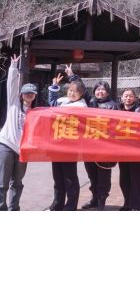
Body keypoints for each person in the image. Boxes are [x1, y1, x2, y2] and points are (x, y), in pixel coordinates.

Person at [0, 55, 37, 211]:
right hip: (6, 145)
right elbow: (12, 86)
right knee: (2, 182)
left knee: (17, 182)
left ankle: (14, 210)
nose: (29, 95)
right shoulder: (14, 104)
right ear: (21, 95)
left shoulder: (36, 112)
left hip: (23, 150)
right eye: (26, 93)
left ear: (35, 95)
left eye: (32, 93)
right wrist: (13, 67)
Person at [47, 66, 87, 210]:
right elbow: (52, 105)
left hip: (70, 146)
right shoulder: (63, 101)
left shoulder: (81, 106)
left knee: (69, 177)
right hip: (56, 144)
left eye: (75, 92)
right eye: (70, 90)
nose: (71, 93)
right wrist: (54, 86)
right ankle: (57, 203)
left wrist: (73, 76)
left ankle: (71, 205)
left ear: (81, 94)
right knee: (57, 176)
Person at [80, 79, 120, 210]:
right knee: (92, 175)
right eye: (98, 90)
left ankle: (102, 200)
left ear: (107, 92)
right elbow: (83, 91)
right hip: (90, 147)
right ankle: (94, 198)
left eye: (103, 89)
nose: (100, 92)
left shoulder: (113, 106)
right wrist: (72, 76)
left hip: (105, 149)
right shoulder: (90, 103)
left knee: (103, 177)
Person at [117, 89, 140, 211]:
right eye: (126, 96)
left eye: (131, 96)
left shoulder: (139, 109)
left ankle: (136, 205)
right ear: (122, 98)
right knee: (124, 179)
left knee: (136, 179)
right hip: (122, 151)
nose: (128, 98)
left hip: (136, 151)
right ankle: (127, 203)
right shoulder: (116, 110)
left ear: (134, 98)